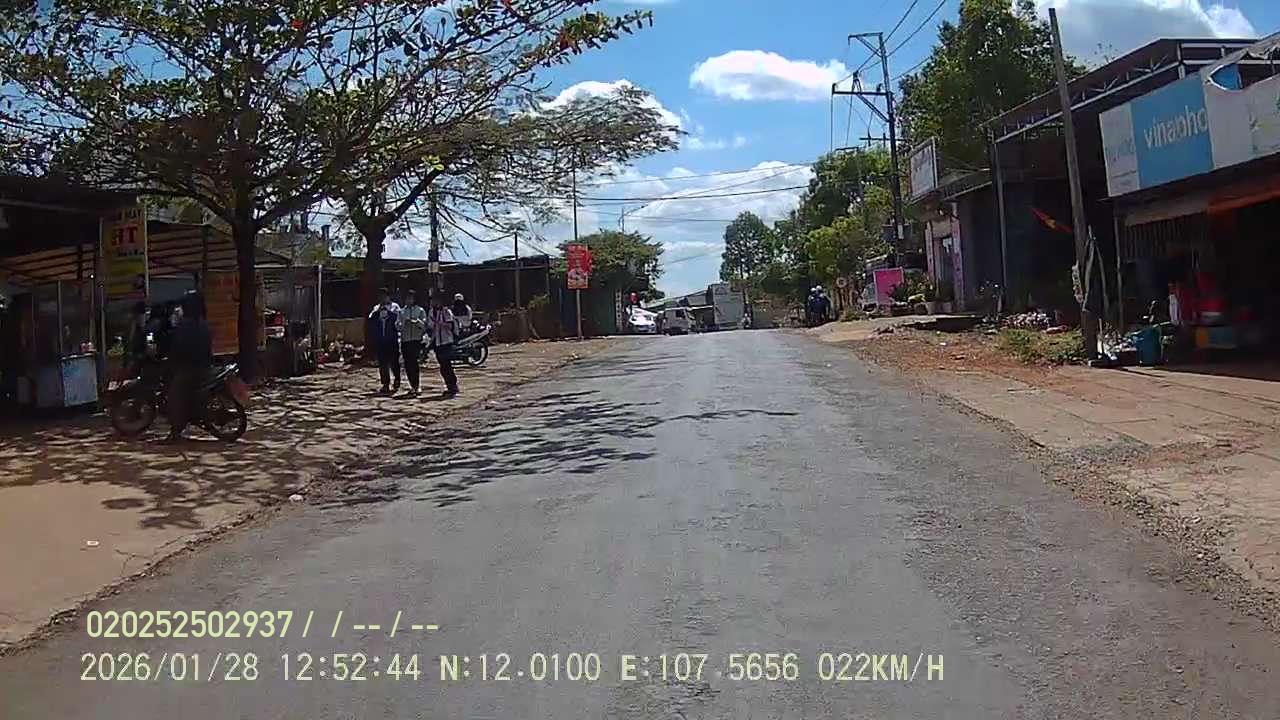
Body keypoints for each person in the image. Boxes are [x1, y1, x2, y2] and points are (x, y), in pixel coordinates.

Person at [165, 292, 212, 441]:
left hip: (190, 368)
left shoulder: (186, 324)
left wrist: (171, 360)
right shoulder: (202, 322)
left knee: (174, 397)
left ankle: (175, 432)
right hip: (203, 366)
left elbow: (178, 347)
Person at [368, 288, 402, 394]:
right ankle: (385, 383)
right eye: (380, 296)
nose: (382, 298)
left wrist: (388, 312)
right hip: (380, 340)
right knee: (382, 363)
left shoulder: (395, 307)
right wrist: (378, 312)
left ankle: (397, 379)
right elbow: (371, 319)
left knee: (394, 362)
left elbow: (398, 320)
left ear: (388, 296)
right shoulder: (376, 308)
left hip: (392, 339)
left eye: (384, 296)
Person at [397, 289, 427, 397]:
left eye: (410, 298)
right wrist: (403, 323)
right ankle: (412, 386)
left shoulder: (420, 310)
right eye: (407, 298)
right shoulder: (401, 311)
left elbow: (424, 325)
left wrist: (416, 322)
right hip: (405, 340)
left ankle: (417, 385)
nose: (408, 300)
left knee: (414, 363)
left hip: (416, 340)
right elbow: (397, 326)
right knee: (407, 364)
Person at [429, 294, 459, 397]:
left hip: (446, 341)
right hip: (437, 341)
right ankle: (448, 385)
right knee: (442, 365)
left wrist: (440, 323)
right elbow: (430, 326)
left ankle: (452, 386)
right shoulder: (432, 312)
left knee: (447, 365)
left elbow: (450, 325)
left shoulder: (446, 311)